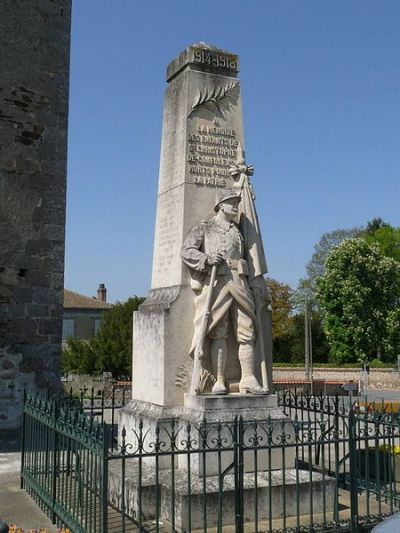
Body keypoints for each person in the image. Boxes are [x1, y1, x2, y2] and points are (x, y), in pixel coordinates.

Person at [181, 189, 266, 395]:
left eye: (237, 202)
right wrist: (206, 259)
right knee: (219, 330)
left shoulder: (239, 230)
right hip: (217, 282)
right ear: (220, 205)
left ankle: (248, 378)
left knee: (247, 329)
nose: (236, 205)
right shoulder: (206, 227)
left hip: (239, 281)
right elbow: (187, 250)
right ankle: (219, 380)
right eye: (231, 202)